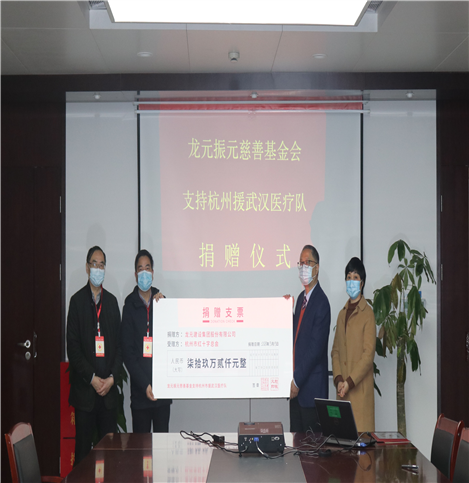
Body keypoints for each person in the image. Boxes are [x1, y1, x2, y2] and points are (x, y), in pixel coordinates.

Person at [67, 246, 122, 465]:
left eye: (102, 265)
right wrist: (92, 378)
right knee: (83, 456)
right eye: (94, 264)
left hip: (108, 394)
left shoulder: (112, 303)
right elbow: (73, 348)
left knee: (108, 457)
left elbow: (119, 346)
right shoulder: (77, 302)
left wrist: (111, 379)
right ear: (87, 267)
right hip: (85, 393)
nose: (98, 268)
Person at [121, 249, 172, 433]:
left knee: (162, 446)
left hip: (162, 393)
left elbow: (171, 343)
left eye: (147, 268)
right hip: (140, 395)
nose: (144, 273)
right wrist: (145, 385)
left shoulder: (162, 303)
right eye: (140, 269)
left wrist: (165, 306)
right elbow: (128, 353)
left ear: (153, 272)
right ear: (136, 275)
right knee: (141, 447)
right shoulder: (129, 306)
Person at [288, 244, 331, 433]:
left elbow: (314, 350)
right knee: (295, 445)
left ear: (317, 267)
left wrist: (296, 381)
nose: (303, 267)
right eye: (301, 263)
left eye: (308, 262)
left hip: (311, 392)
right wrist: (285, 312)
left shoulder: (322, 303)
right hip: (296, 393)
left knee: (311, 448)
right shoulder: (300, 299)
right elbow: (298, 336)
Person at [331, 257, 376, 432]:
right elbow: (335, 351)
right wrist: (338, 380)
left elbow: (368, 356)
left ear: (362, 283)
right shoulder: (341, 314)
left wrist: (349, 382)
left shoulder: (368, 314)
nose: (351, 281)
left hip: (359, 395)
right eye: (348, 277)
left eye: (355, 277)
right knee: (342, 444)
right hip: (342, 393)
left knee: (362, 446)